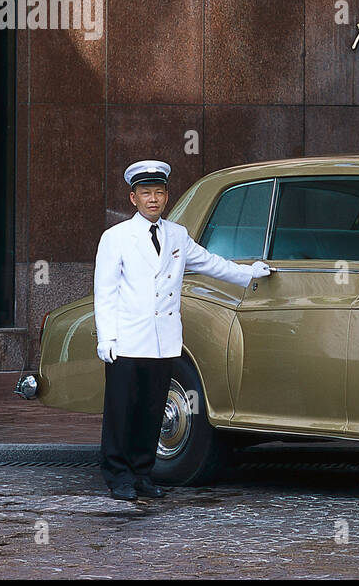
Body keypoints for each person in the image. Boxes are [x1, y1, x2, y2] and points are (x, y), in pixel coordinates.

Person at [94, 159, 272, 500]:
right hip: (128, 340)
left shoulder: (177, 234)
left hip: (164, 341)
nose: (153, 199)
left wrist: (249, 273)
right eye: (145, 193)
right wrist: (107, 338)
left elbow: (209, 262)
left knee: (151, 410)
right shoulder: (116, 238)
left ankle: (142, 474)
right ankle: (118, 477)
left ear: (166, 196)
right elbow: (106, 292)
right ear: (133, 198)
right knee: (121, 412)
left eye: (159, 193)